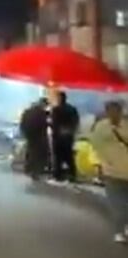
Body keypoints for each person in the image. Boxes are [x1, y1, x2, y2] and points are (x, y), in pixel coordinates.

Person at [89, 100, 128, 243]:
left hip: (121, 169)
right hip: (112, 171)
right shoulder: (101, 127)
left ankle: (123, 228)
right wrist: (100, 164)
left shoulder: (122, 125)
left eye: (115, 109)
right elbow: (96, 147)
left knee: (121, 203)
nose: (113, 112)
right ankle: (120, 230)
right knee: (117, 204)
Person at [50, 90, 80, 183]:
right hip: (68, 137)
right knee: (69, 156)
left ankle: (58, 175)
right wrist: (70, 131)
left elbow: (53, 123)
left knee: (58, 157)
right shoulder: (72, 109)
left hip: (58, 137)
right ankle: (72, 174)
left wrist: (58, 131)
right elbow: (75, 122)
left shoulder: (56, 109)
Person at [20, 98, 50, 181]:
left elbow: (22, 123)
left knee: (31, 151)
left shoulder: (28, 111)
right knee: (39, 154)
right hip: (38, 136)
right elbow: (43, 124)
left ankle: (29, 168)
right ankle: (36, 172)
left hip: (29, 135)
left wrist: (24, 133)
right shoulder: (40, 113)